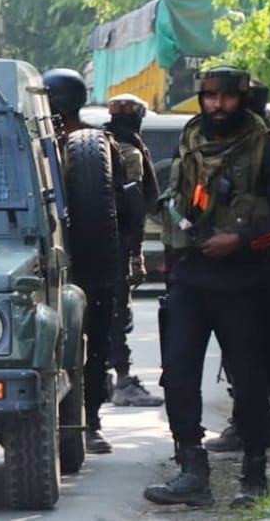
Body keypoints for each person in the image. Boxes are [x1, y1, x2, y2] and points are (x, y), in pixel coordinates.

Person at [144, 66, 270, 509]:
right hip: (189, 280)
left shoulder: (267, 149)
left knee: (250, 382)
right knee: (177, 377)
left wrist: (244, 240)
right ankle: (191, 471)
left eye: (226, 97)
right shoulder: (190, 141)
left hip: (245, 284)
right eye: (209, 96)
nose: (217, 105)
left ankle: (253, 476)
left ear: (242, 98)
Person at [43, 68, 137, 455]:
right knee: (84, 343)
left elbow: (130, 205)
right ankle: (80, 422)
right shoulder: (40, 147)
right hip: (67, 261)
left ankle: (91, 421)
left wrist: (119, 262)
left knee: (95, 344)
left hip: (93, 262)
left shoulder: (99, 148)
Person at [204, 95, 270, 453]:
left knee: (251, 342)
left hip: (257, 263)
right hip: (258, 263)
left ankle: (259, 420)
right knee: (264, 338)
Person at [102, 93, 164, 408]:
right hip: (117, 248)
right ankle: (123, 381)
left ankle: (102, 383)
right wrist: (134, 254)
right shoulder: (130, 151)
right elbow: (141, 205)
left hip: (83, 248)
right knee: (117, 316)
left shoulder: (91, 143)